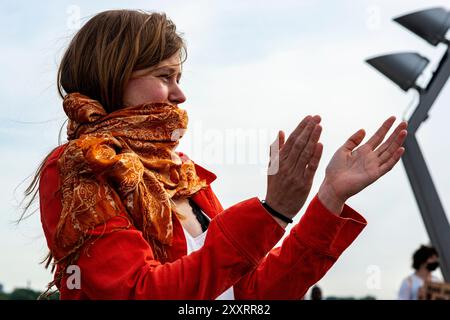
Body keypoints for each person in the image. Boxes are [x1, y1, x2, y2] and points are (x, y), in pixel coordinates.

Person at [24, 10, 408, 300]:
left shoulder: (183, 173)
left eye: (180, 79)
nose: (179, 95)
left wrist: (329, 198)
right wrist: (271, 212)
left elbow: (253, 295)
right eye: (164, 76)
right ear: (113, 74)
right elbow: (139, 292)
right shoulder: (80, 164)